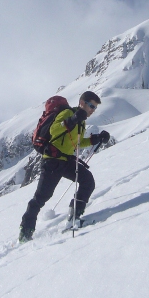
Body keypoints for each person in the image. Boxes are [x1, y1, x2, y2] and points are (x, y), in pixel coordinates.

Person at [19, 91, 110, 243]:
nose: (93, 110)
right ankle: (25, 231)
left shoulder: (81, 120)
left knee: (88, 181)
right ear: (82, 103)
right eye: (91, 106)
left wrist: (97, 138)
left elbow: (76, 143)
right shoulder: (68, 113)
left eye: (95, 107)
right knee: (41, 197)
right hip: (52, 161)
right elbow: (54, 130)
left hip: (66, 160)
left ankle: (74, 218)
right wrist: (72, 119)